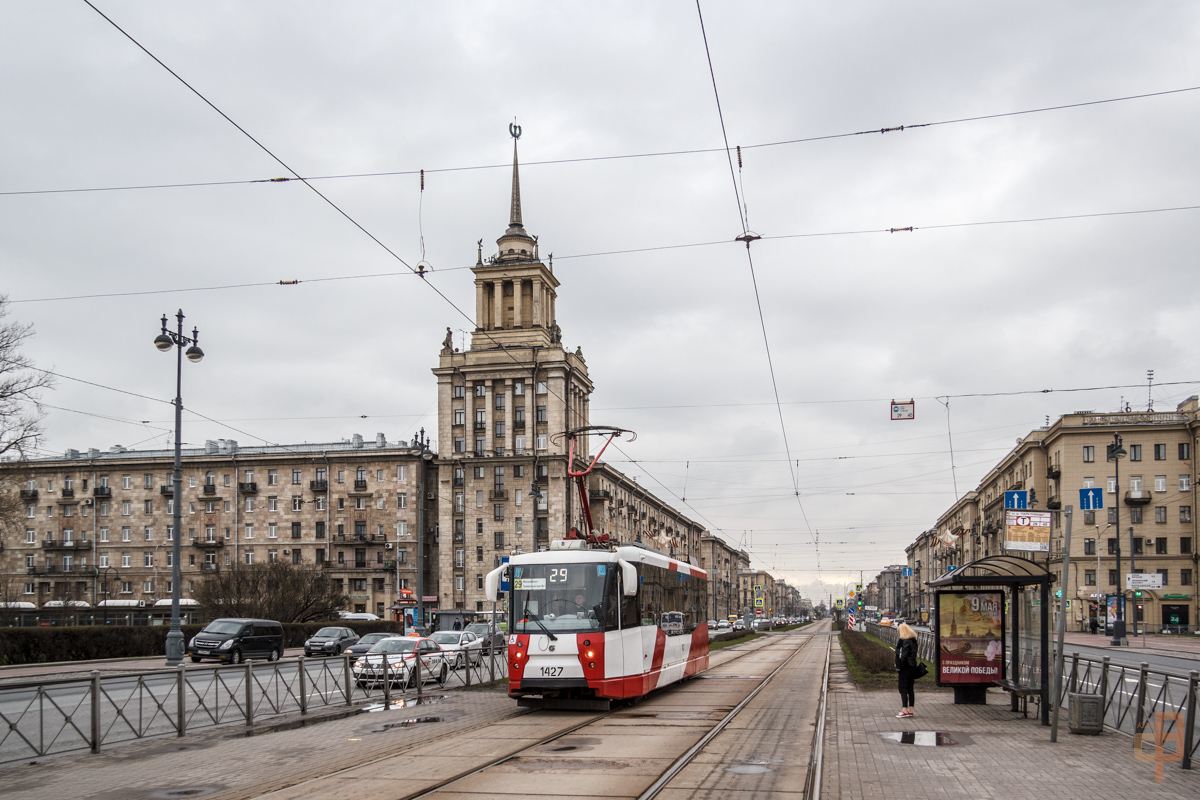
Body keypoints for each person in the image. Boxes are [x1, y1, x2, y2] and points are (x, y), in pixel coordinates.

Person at [895, 622, 919, 718]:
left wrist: (899, 663)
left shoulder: (904, 641)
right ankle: (911, 710)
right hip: (912, 666)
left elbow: (904, 655)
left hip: (905, 667)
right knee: (910, 689)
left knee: (902, 688)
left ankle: (904, 710)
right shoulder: (913, 641)